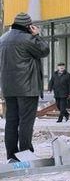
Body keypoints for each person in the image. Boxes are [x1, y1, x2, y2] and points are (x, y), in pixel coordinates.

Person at [0, 12, 50, 161]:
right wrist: (37, 35)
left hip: (8, 88)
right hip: (27, 88)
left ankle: (11, 155)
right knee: (26, 122)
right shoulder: (28, 39)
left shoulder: (2, 39)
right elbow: (44, 50)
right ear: (28, 26)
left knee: (11, 121)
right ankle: (25, 154)